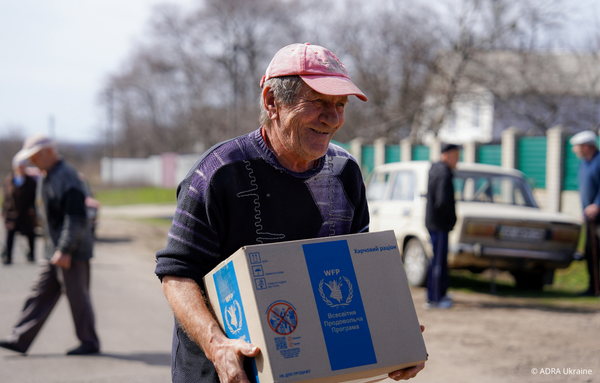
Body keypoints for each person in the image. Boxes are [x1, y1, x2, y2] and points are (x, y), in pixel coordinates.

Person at [155, 43, 425, 383]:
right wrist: (217, 344)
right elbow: (177, 275)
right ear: (272, 102)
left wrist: (394, 335)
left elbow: (359, 271)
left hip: (315, 372)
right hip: (221, 375)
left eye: (340, 105)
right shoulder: (218, 173)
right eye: (319, 102)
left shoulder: (344, 172)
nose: (333, 118)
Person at [0, 134, 100, 355]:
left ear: (47, 152)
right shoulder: (48, 174)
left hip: (69, 252)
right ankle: (19, 339)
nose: (31, 162)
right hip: (53, 251)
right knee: (39, 293)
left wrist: (64, 250)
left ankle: (89, 342)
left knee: (77, 298)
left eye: (34, 157)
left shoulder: (66, 177)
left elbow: (76, 217)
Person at [424, 143, 460, 309]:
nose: (457, 160)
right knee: (438, 261)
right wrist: (450, 220)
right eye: (455, 156)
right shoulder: (443, 173)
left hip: (436, 223)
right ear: (445, 155)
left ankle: (440, 293)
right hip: (439, 224)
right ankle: (434, 299)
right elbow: (442, 201)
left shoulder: (437, 169)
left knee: (440, 260)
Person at [570, 130, 600, 297]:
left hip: (598, 216)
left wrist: (597, 205)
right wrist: (584, 210)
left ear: (587, 147)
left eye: (577, 147)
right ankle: (594, 287)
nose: (575, 150)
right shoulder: (583, 164)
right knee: (590, 252)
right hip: (590, 218)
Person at [2, 156, 38, 264]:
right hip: (12, 213)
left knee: (30, 234)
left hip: (26, 213)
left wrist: (33, 208)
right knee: (10, 234)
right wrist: (4, 211)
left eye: (23, 166)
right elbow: (6, 198)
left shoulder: (31, 181)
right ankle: (7, 256)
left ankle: (31, 255)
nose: (21, 168)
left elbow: (35, 197)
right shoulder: (9, 180)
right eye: (19, 166)